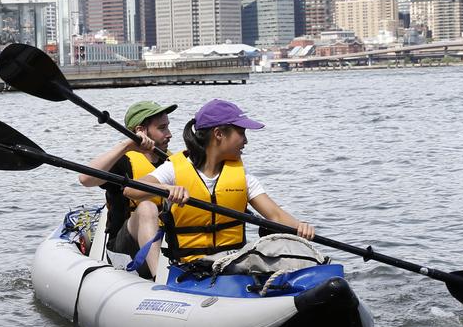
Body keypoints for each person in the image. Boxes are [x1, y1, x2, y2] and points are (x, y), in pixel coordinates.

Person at [126, 98, 315, 267]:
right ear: (218, 134)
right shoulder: (174, 170)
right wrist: (165, 189)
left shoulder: (244, 178)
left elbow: (275, 215)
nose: (246, 141)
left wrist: (301, 226)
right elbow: (131, 190)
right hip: (188, 268)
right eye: (241, 133)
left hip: (230, 264)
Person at [78, 100, 177, 278]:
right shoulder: (122, 161)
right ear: (141, 130)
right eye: (162, 128)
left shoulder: (172, 162)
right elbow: (85, 179)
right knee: (147, 207)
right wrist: (127, 145)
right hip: (126, 250)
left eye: (168, 127)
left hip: (168, 245)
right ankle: (159, 278)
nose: (169, 134)